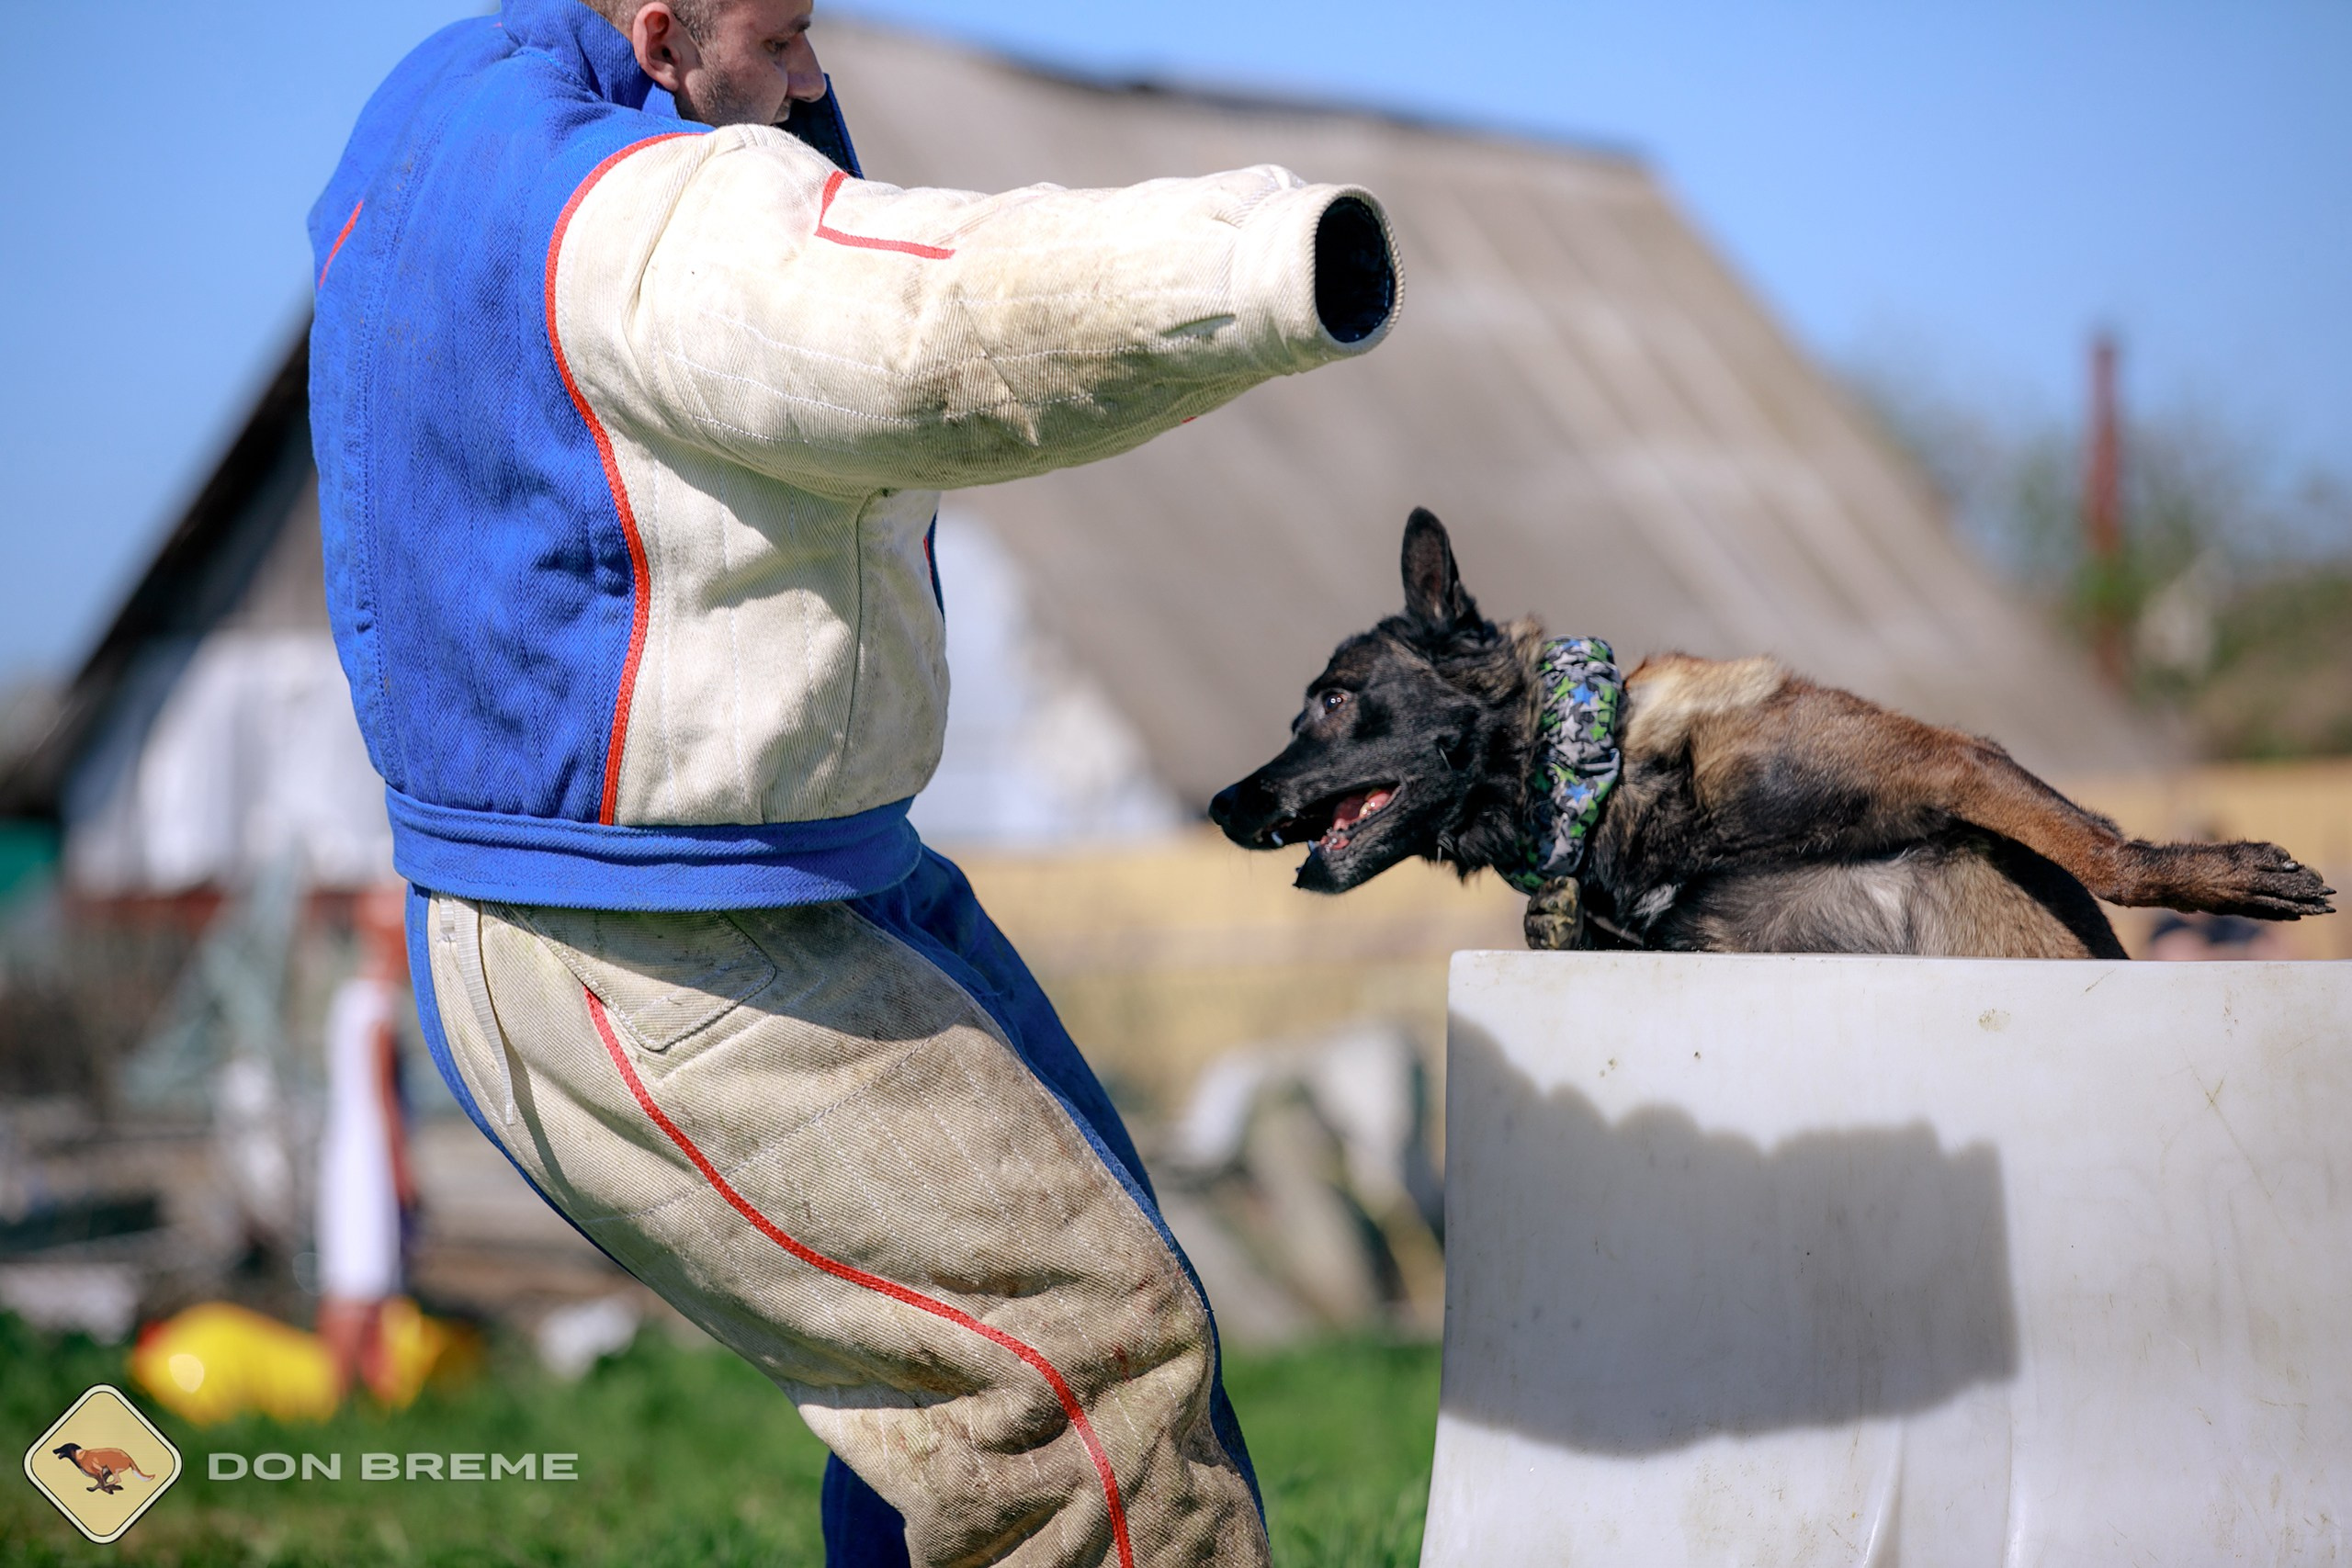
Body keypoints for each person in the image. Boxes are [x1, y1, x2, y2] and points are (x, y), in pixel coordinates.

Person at [305, 2, 1399, 1563]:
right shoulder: (631, 218)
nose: (817, 78)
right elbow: (924, 333)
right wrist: (1263, 262)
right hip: (663, 944)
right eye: (786, 34)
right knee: (1087, 1370)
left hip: (780, 880)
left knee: (955, 1393)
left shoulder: (440, 114)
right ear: (668, 35)